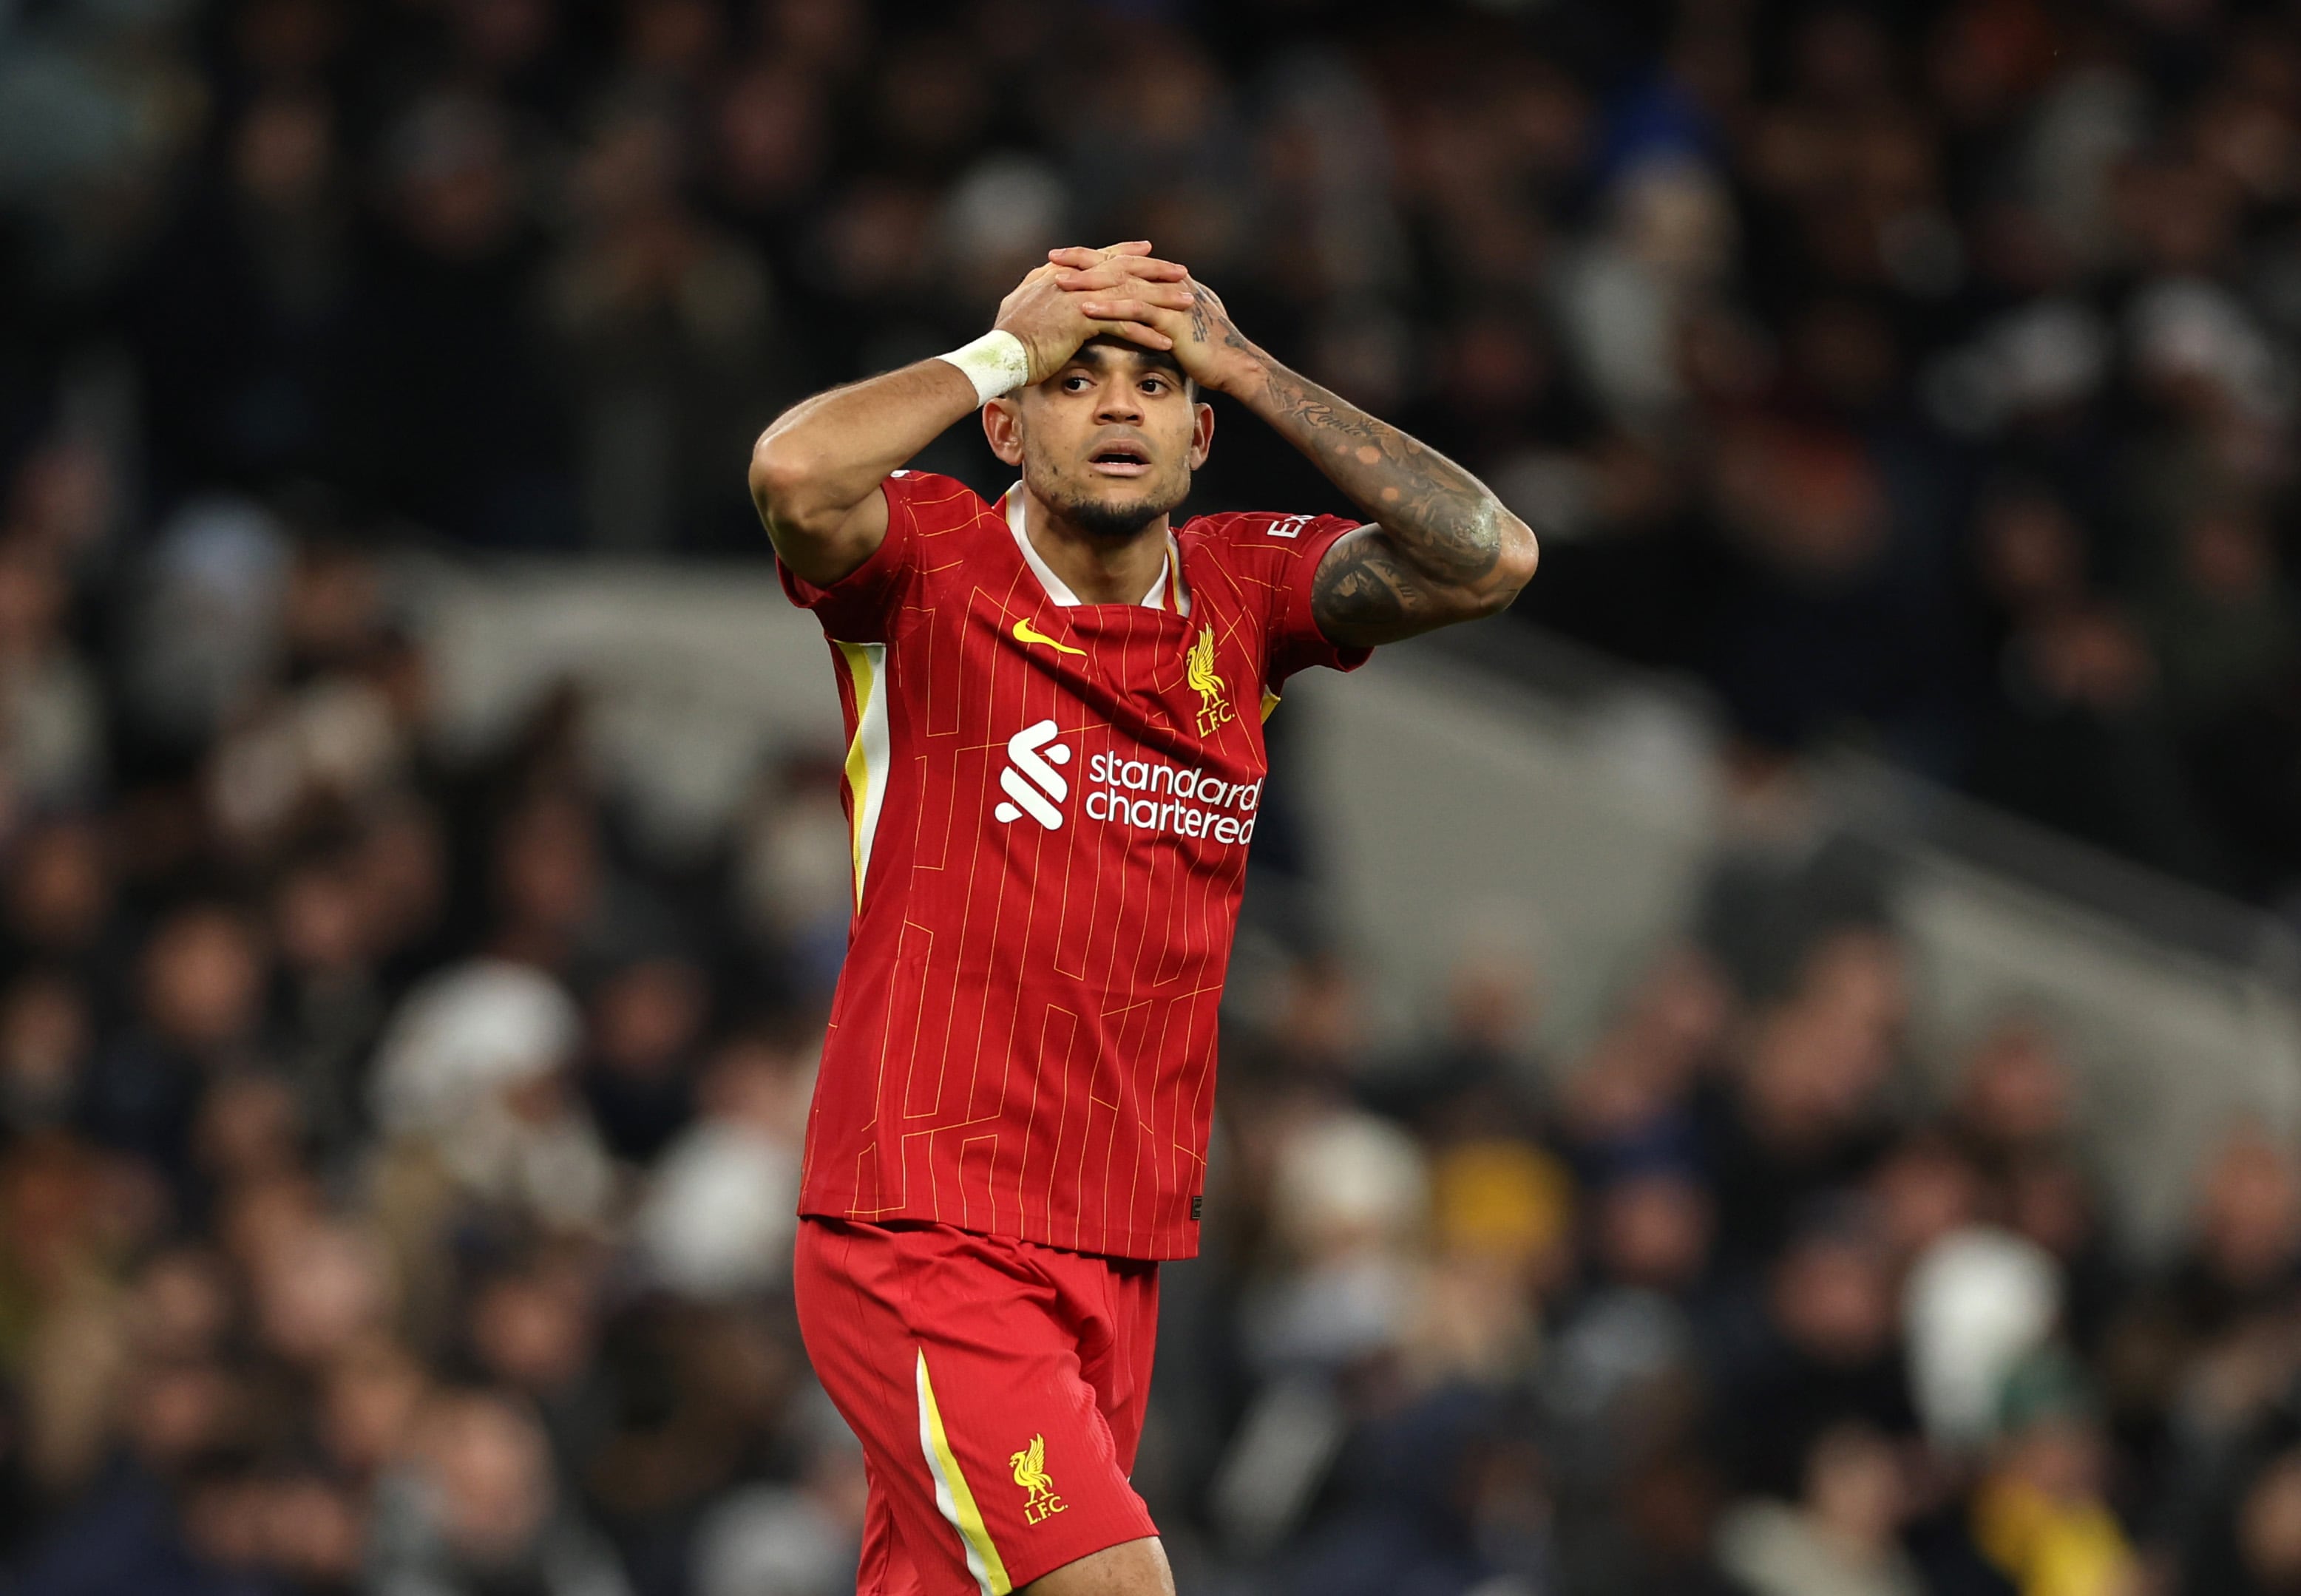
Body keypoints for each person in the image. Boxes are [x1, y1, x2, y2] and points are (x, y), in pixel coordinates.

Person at [747, 239, 1539, 1596]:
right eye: (1075, 381)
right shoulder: (930, 563)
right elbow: (793, 474)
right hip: (926, 1221)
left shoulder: (1243, 597)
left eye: (1155, 385)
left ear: (1198, 430)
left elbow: (1489, 555)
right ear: (1007, 422)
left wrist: (1241, 355)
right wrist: (1005, 342)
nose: (1119, 407)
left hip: (1116, 1240)